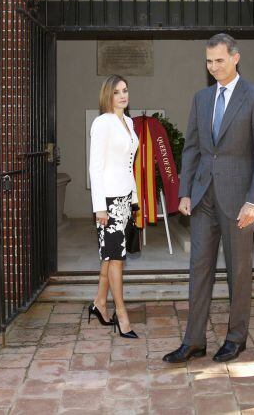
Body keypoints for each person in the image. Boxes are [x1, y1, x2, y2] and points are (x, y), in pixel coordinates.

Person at [163, 33, 254, 363]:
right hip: (202, 199)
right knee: (199, 270)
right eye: (209, 61)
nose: (213, 67)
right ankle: (193, 341)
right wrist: (184, 192)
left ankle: (236, 338)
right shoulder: (201, 98)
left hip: (239, 201)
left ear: (235, 58)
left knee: (239, 272)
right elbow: (194, 148)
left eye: (219, 61)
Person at [88, 74, 139, 338]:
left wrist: (134, 198)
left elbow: (128, 164)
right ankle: (122, 315)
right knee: (116, 259)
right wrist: (100, 207)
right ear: (108, 95)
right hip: (107, 201)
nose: (122, 95)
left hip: (124, 198)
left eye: (125, 90)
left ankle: (99, 302)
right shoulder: (102, 123)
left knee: (111, 256)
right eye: (117, 91)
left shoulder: (128, 122)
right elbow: (95, 168)